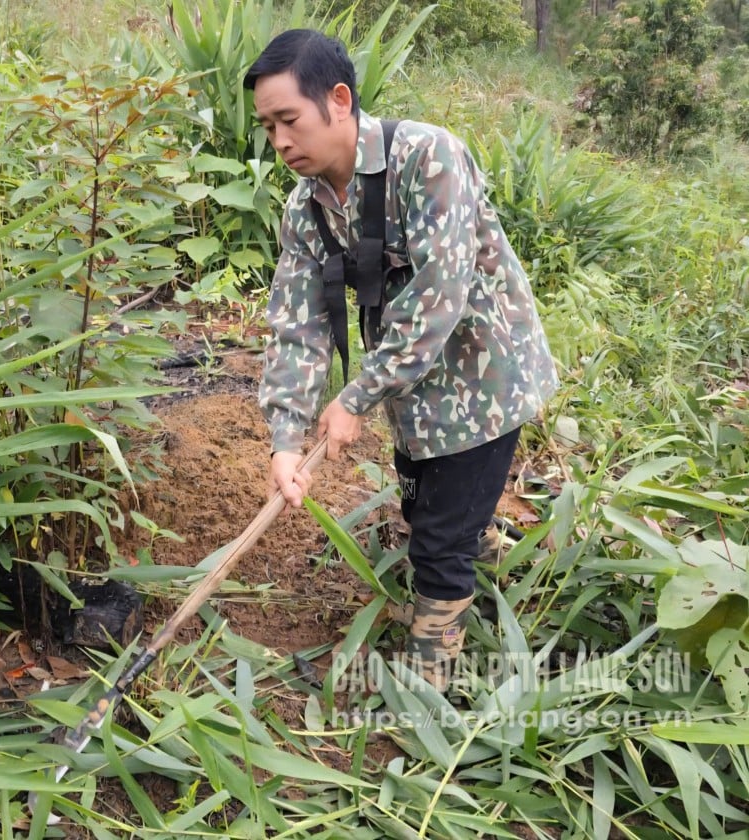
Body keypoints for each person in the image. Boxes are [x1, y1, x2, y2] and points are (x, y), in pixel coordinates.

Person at [244, 30, 558, 691]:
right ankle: (511, 564)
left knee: (438, 546)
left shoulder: (428, 158)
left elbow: (440, 297)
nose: (279, 142)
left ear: (338, 100)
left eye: (288, 120)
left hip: (484, 380)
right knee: (427, 511)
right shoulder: (308, 214)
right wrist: (283, 438)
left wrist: (354, 398)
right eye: (267, 127)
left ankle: (427, 693)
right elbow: (297, 328)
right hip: (414, 393)